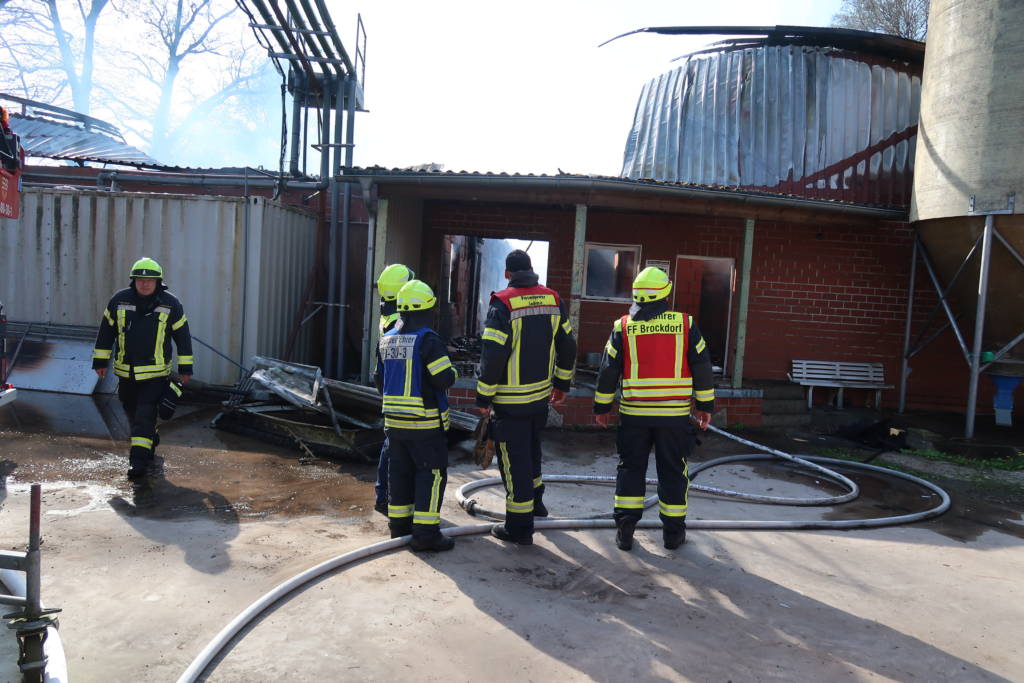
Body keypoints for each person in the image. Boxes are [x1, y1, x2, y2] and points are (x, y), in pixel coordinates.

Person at [592, 266, 714, 551]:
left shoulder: (623, 326)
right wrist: (705, 406)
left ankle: (625, 530)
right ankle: (673, 535)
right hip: (674, 418)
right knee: (673, 471)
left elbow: (608, 370)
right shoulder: (685, 324)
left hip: (634, 416)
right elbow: (703, 366)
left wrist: (601, 406)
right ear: (665, 292)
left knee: (630, 469)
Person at [475, 249, 577, 545]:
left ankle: (519, 528)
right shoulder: (554, 300)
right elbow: (568, 346)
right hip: (539, 400)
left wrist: (483, 398)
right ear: (531, 269)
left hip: (509, 404)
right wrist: (562, 384)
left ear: (507, 274)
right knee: (531, 454)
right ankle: (537, 505)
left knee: (514, 463)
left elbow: (492, 355)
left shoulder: (502, 303)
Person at [375, 279, 458, 552]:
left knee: (399, 473)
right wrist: (454, 372)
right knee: (430, 475)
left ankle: (398, 528)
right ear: (427, 309)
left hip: (393, 425)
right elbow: (443, 379)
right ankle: (426, 535)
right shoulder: (428, 340)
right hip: (425, 425)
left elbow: (379, 379)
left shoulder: (386, 339)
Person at [92, 257, 193, 479]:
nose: (145, 284)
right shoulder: (119, 300)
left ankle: (137, 463)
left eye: (150, 280)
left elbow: (183, 337)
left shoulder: (170, 303)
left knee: (144, 416)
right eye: (140, 279)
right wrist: (100, 362)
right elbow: (106, 331)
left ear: (159, 282)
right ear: (133, 281)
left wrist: (185, 368)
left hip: (155, 374)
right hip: (126, 373)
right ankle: (150, 436)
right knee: (132, 413)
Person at [372, 263, 415, 514]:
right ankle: (384, 496)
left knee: (391, 444)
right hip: (399, 390)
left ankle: (385, 494)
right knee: (392, 447)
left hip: (389, 387)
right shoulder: (396, 322)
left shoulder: (387, 313)